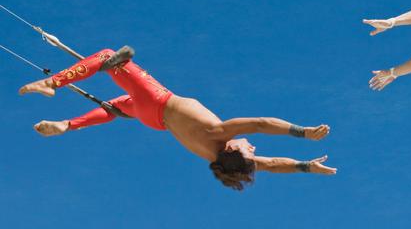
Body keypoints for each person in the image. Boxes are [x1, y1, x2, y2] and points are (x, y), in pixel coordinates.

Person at [19, 46, 336, 190]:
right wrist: (307, 167)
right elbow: (273, 164)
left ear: (231, 151)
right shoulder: (213, 153)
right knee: (117, 108)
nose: (252, 149)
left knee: (107, 57)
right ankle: (67, 124)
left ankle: (51, 84)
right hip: (154, 120)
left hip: (158, 101)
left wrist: (303, 133)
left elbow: (262, 123)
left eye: (249, 151)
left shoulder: (218, 134)